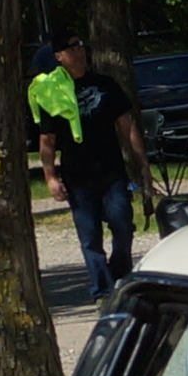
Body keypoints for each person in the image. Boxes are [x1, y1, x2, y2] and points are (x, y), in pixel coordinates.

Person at [37, 38, 153, 286]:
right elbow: (47, 139)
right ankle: (102, 288)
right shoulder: (52, 94)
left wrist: (142, 162)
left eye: (80, 48)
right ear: (59, 56)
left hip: (111, 170)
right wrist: (50, 176)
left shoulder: (105, 85)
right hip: (77, 175)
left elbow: (127, 125)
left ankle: (120, 274)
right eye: (71, 49)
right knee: (90, 236)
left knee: (122, 223)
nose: (78, 53)